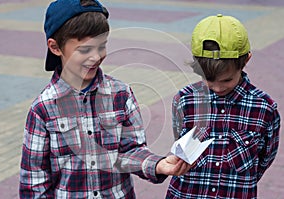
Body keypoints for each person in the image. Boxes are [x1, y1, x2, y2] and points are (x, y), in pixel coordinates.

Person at [19, 0, 191, 198]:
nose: (95, 56)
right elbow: (34, 182)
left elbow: (130, 151)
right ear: (55, 47)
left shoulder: (121, 94)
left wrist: (158, 165)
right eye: (85, 50)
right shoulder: (43, 108)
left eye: (102, 46)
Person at [166, 14, 281, 199]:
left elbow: (264, 159)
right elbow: (179, 142)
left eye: (227, 80)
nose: (218, 88)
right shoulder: (184, 100)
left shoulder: (264, 108)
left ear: (246, 60)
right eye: (209, 80)